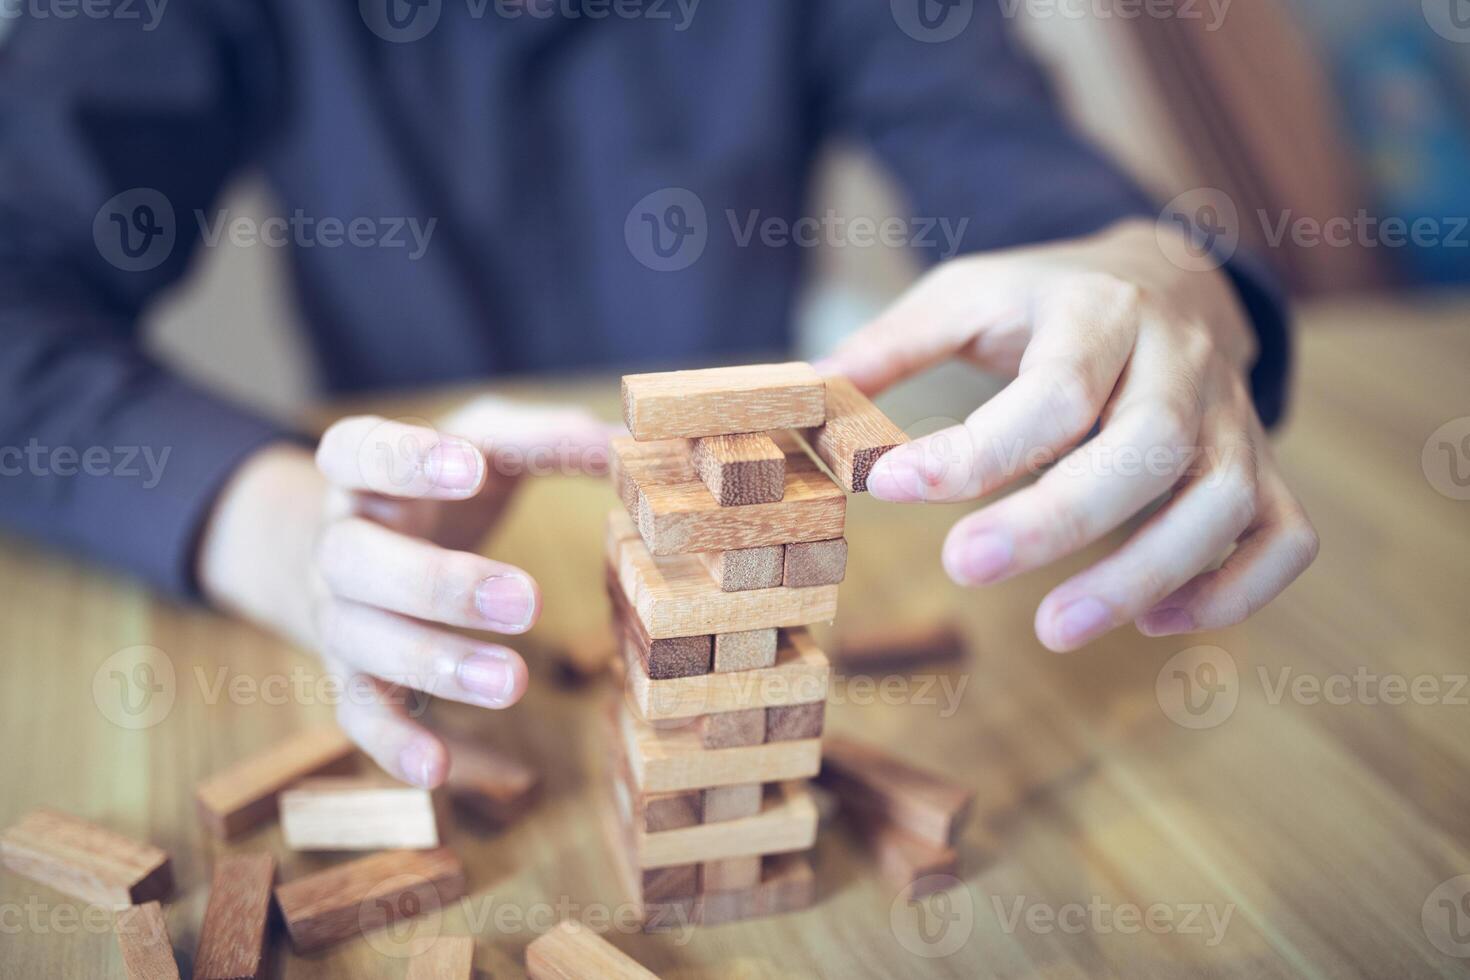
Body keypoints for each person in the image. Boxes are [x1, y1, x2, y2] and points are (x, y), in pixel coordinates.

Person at [0, 1, 1316, 787]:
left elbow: (1036, 182)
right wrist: (281, 532)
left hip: (745, 562)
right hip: (405, 564)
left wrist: (1154, 276)